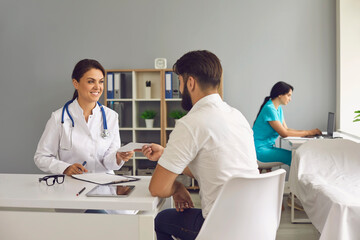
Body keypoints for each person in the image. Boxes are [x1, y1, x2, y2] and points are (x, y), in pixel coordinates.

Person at [141, 50, 259, 240]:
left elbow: (157, 188)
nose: (180, 89)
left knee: (161, 220)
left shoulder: (191, 123)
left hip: (222, 227)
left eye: (179, 82)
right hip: (257, 222)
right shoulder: (236, 115)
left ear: (190, 82)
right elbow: (213, 168)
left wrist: (178, 187)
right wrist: (166, 155)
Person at [34, 59, 133, 176]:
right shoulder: (59, 117)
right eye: (91, 82)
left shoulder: (111, 116)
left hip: (104, 185)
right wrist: (65, 168)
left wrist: (117, 157)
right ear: (76, 83)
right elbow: (41, 157)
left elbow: (108, 162)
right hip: (72, 186)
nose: (97, 87)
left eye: (101, 82)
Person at [252, 81, 321, 166]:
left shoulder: (278, 108)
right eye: (288, 95)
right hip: (259, 150)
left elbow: (286, 129)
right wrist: (309, 132)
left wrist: (308, 132)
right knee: (296, 158)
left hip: (267, 148)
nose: (290, 99)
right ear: (280, 95)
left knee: (298, 157)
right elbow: (284, 133)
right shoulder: (269, 109)